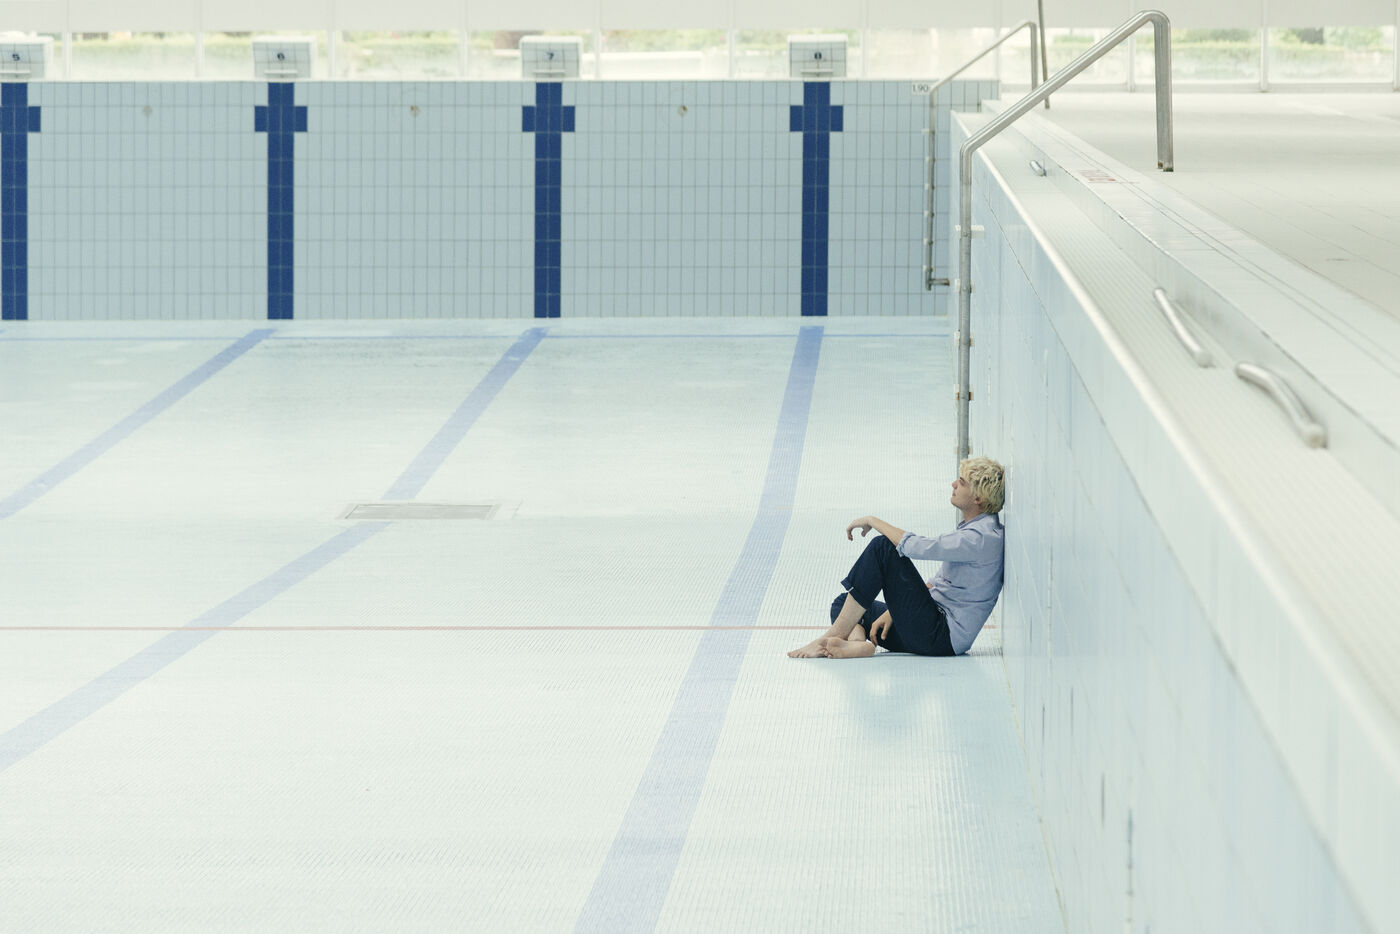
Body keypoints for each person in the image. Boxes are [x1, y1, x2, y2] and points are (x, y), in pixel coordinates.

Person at [788, 457, 1005, 659]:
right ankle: (856, 643)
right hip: (927, 628)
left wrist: (872, 520)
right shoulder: (976, 531)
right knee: (844, 603)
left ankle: (830, 638)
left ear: (978, 498)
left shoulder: (980, 538)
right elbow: (937, 582)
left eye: (962, 482)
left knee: (883, 548)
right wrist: (893, 611)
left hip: (939, 634)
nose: (953, 484)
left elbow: (917, 547)